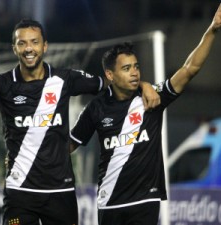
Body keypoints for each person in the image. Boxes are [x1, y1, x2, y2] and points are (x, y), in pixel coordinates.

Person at [0, 19, 159, 225]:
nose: (29, 48)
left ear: (44, 46)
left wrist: (144, 85)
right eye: (22, 43)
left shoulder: (65, 79)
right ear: (14, 48)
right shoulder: (2, 84)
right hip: (20, 194)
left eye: (34, 42)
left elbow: (112, 82)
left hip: (60, 192)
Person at [70, 4, 221, 225]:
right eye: (126, 68)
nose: (134, 72)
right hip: (108, 202)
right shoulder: (96, 108)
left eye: (136, 66)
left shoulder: (153, 98)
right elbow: (69, 145)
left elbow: (190, 69)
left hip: (144, 201)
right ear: (110, 74)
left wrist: (212, 29)